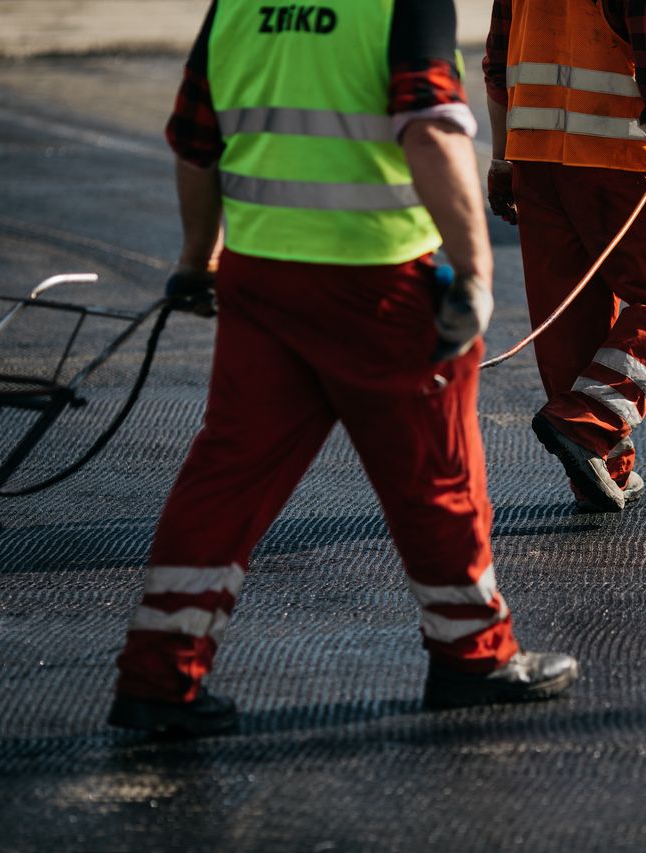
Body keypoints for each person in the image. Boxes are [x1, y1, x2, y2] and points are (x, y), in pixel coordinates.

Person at [107, 0, 578, 737]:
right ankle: (473, 656)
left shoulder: (239, 5)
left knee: (227, 474)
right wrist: (477, 271)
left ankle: (158, 675)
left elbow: (196, 141)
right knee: (436, 475)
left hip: (261, 279)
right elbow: (427, 128)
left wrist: (196, 261)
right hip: (377, 284)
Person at [483, 0, 646, 513]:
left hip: (536, 158)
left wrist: (503, 158)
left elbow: (499, 62)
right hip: (625, 161)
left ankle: (600, 464)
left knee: (569, 314)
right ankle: (584, 426)